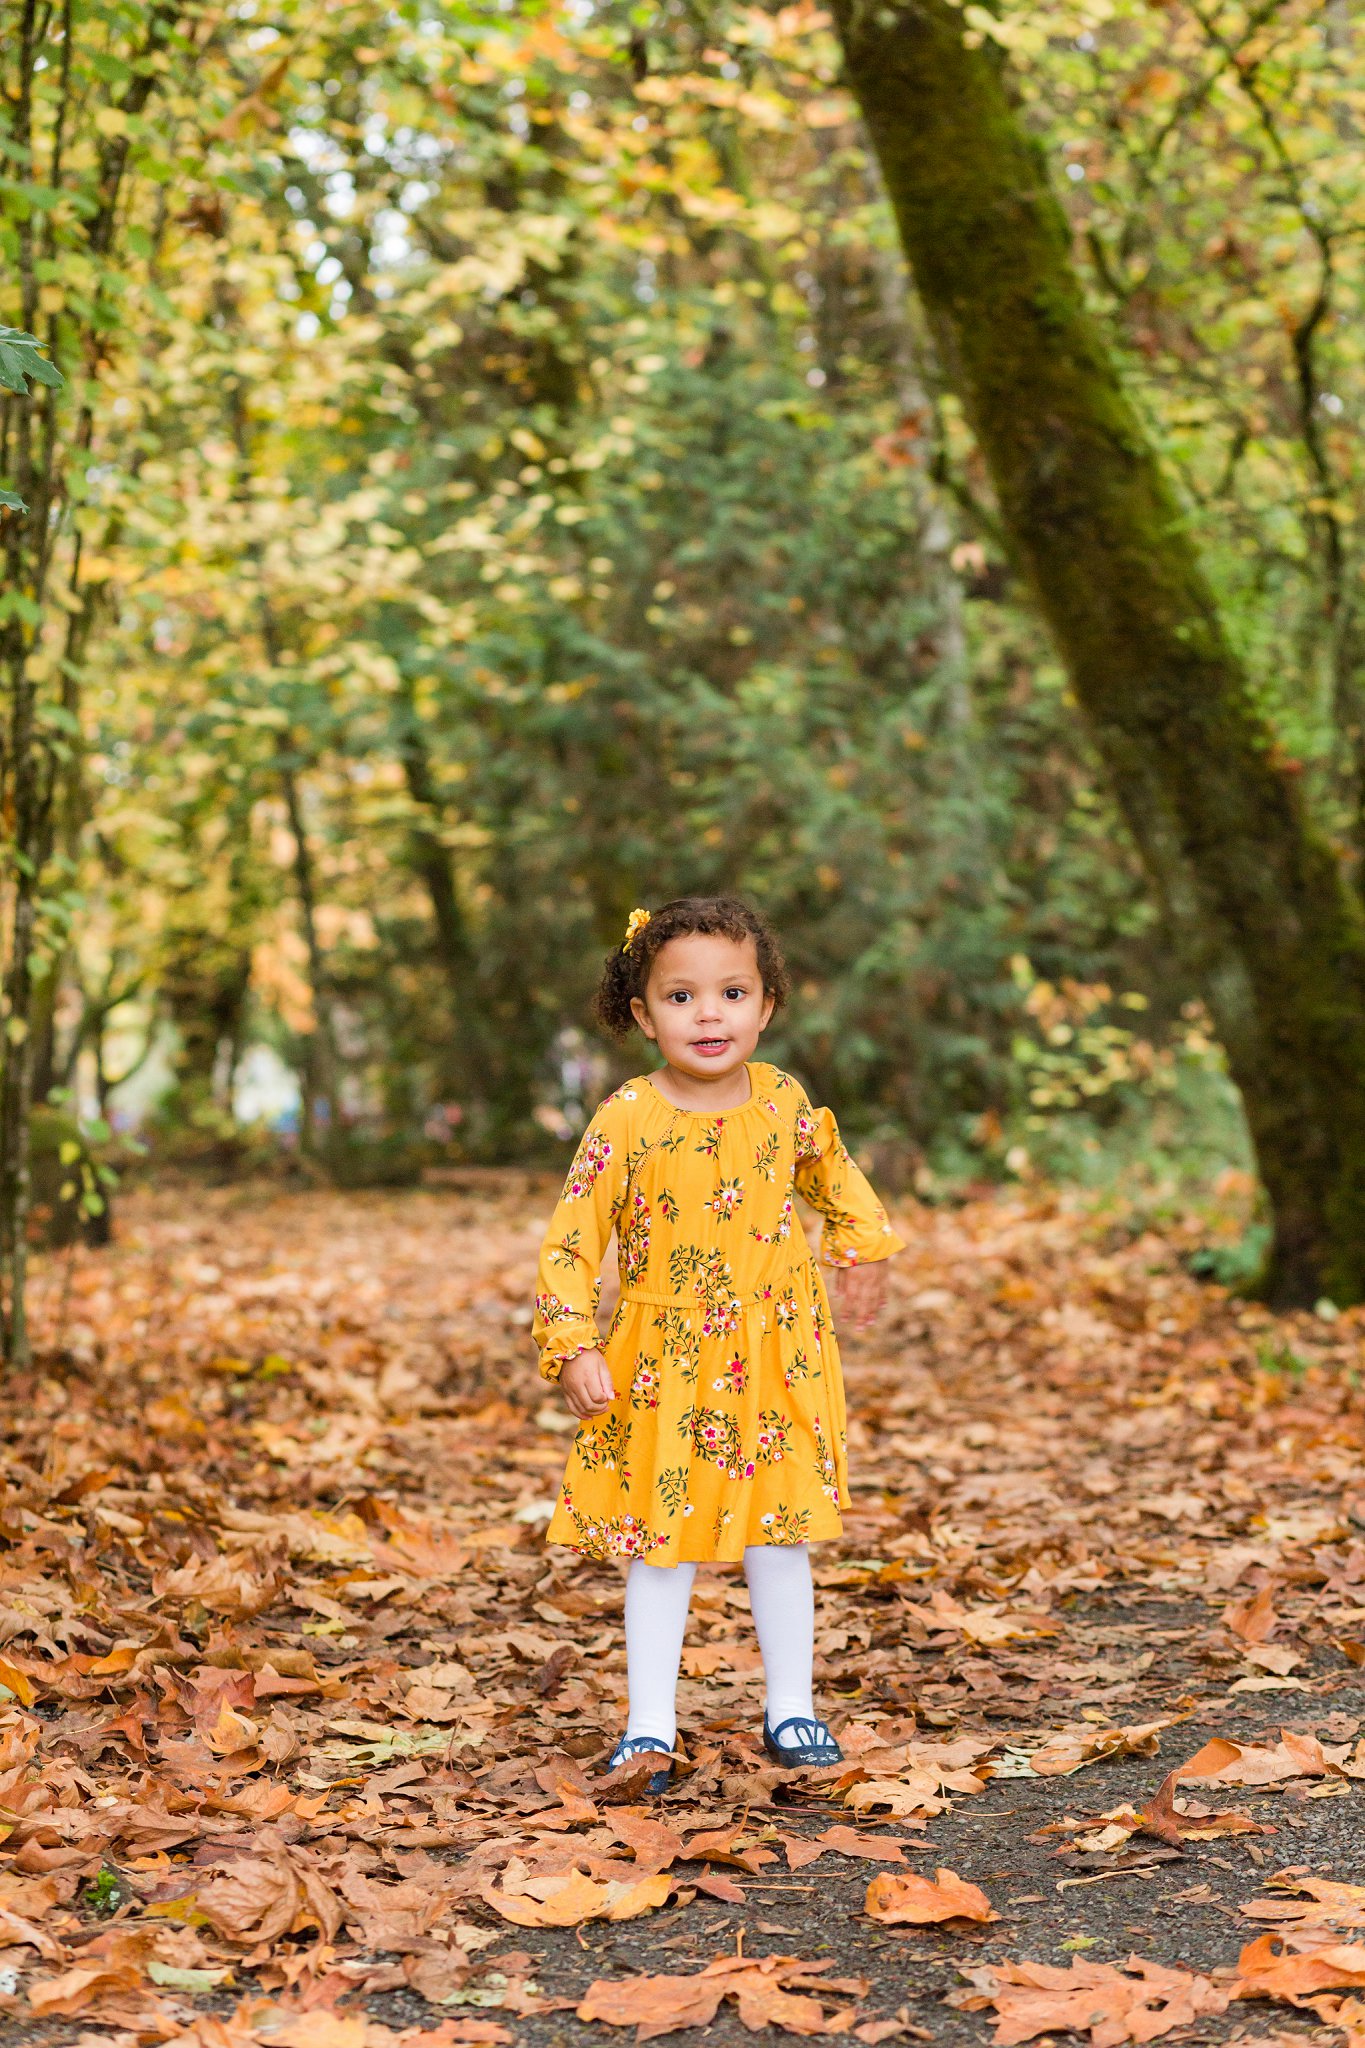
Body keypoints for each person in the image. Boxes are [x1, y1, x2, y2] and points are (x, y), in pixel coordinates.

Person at [532, 895, 903, 1789]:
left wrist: (861, 1246)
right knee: (663, 1543)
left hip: (777, 1354)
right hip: (665, 1359)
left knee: (780, 1535)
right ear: (641, 1012)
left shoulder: (781, 1101)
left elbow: (831, 1174)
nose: (709, 1014)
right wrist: (573, 1338)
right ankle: (649, 1725)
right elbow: (574, 1234)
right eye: (681, 996)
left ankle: (792, 1708)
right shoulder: (627, 1118)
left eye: (732, 992)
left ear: (766, 1005)